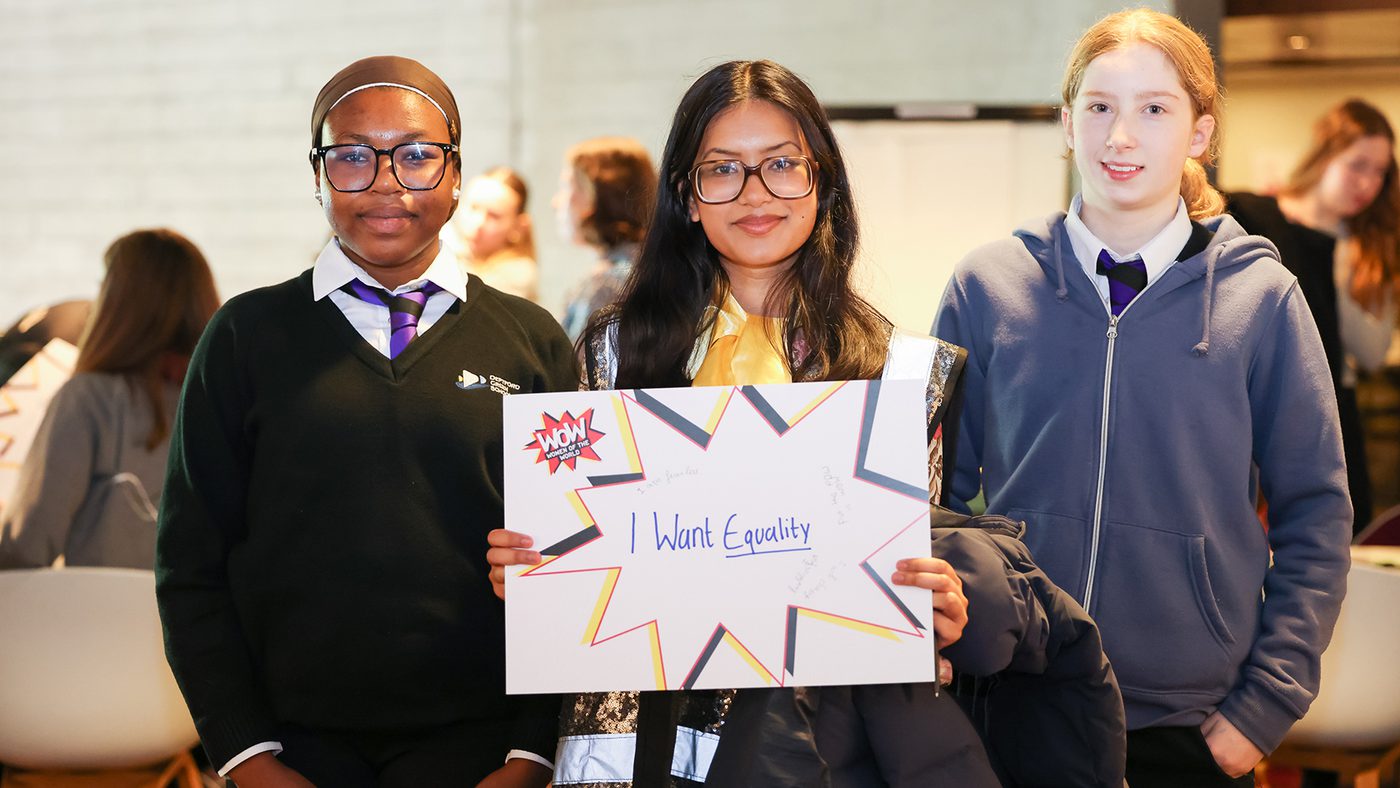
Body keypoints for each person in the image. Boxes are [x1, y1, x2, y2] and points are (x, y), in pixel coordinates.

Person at [488, 59, 1127, 788]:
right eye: (722, 169)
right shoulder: (611, 353)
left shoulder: (900, 372)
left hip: (814, 746)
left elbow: (896, 575)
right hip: (632, 743)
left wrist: (936, 604)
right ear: (686, 197)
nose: (755, 192)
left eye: (783, 164)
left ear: (822, 183)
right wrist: (542, 568)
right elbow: (583, 568)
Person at [934, 9, 1352, 787]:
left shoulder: (1263, 300)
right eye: (1099, 107)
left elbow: (1317, 517)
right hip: (1010, 707)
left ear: (1199, 132)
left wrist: (1256, 717)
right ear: (1067, 123)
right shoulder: (986, 287)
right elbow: (930, 503)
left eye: (1154, 109)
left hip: (1187, 729)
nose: (1120, 136)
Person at [154, 56, 576, 788]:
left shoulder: (532, 341)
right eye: (351, 156)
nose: (385, 181)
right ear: (317, 175)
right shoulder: (244, 337)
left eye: (416, 156)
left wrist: (535, 752)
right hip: (291, 749)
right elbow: (190, 566)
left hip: (483, 747)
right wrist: (244, 754)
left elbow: (574, 561)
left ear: (453, 174)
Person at [1229, 99, 1400, 534]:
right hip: (1253, 405)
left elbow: (1371, 353)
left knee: (1332, 536)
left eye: (1380, 172)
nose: (1368, 183)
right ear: (1326, 154)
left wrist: (1351, 262)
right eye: (1357, 165)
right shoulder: (1253, 217)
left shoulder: (1368, 247)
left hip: (1331, 410)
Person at [0, 229, 217, 570]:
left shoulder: (88, 399)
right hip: (190, 620)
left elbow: (27, 546)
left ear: (118, 305)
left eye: (104, 285)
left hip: (93, 617)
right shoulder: (224, 404)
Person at [553, 136, 657, 341]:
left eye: (567, 187)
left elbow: (577, 369)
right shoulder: (650, 265)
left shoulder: (607, 285)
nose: (556, 202)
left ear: (595, 195)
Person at [445, 166, 540, 301]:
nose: (479, 224)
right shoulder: (447, 242)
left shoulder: (518, 274)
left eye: (494, 216)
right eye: (474, 208)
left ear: (518, 226)